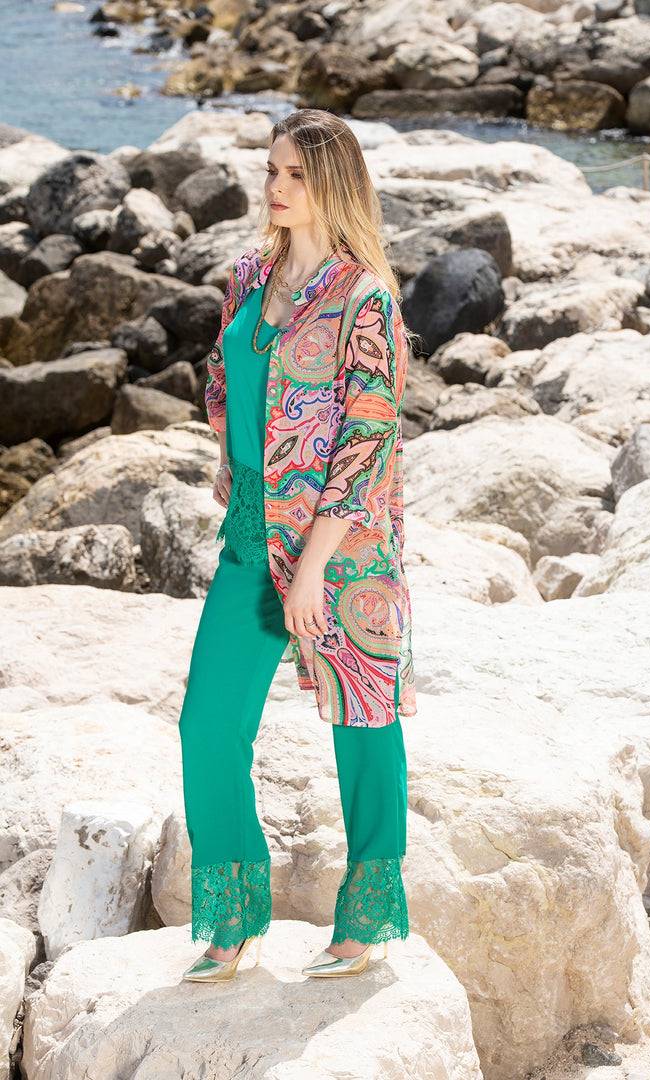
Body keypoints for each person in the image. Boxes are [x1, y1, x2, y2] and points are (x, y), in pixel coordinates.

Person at [178, 108, 417, 982]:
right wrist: (229, 458)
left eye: (295, 174)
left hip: (342, 552)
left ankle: (366, 922)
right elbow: (221, 377)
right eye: (271, 170)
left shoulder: (365, 299)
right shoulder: (250, 275)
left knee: (364, 722)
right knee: (207, 727)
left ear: (333, 184)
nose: (275, 187)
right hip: (251, 536)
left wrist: (312, 568)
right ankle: (235, 918)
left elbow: (367, 440)